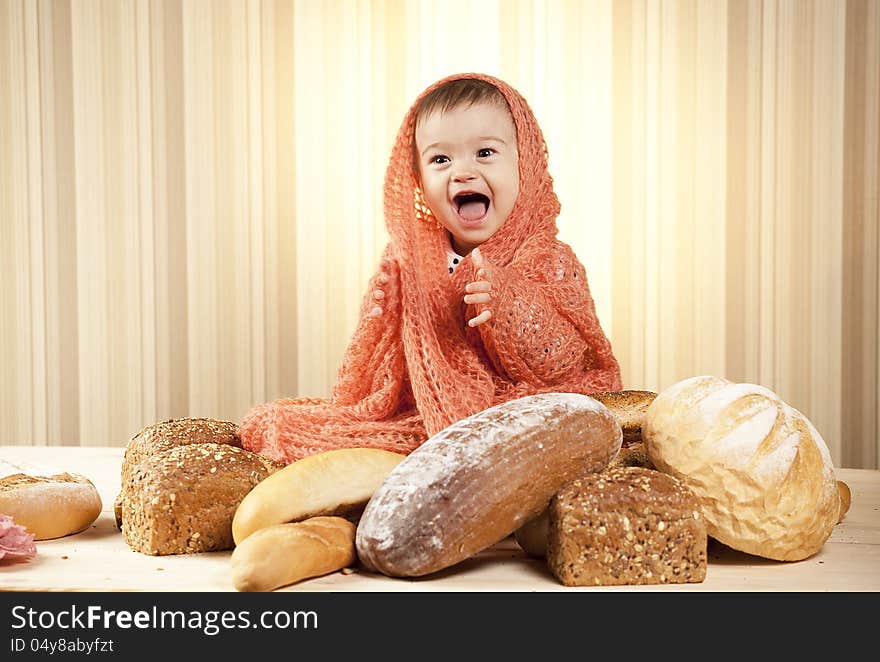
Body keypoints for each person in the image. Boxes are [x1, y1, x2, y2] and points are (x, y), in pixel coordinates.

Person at [239, 73, 622, 464]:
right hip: (428, 408)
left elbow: (567, 365)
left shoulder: (548, 259)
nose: (463, 172)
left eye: (485, 153)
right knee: (280, 423)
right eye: (441, 159)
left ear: (525, 162)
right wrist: (384, 315)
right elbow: (380, 378)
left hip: (522, 405)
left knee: (535, 432)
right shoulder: (413, 259)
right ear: (418, 181)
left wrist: (510, 304)